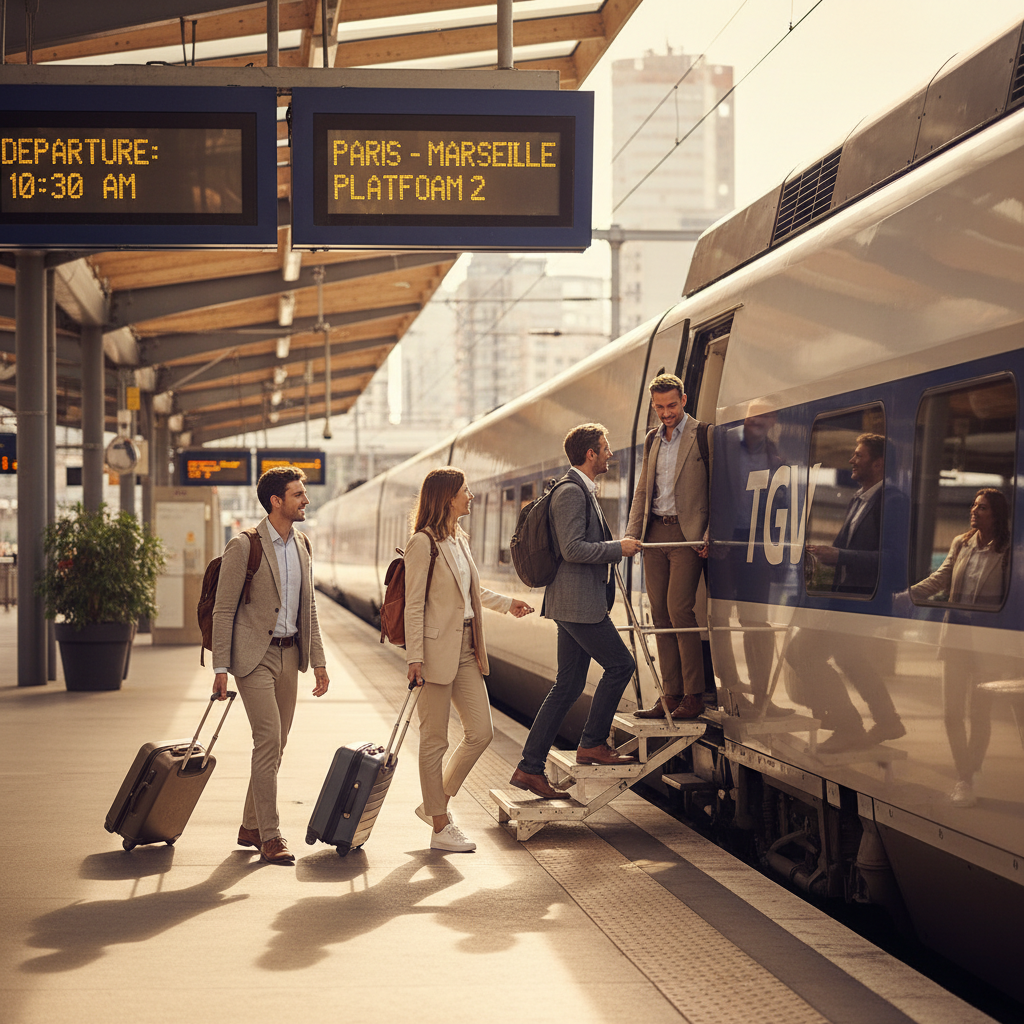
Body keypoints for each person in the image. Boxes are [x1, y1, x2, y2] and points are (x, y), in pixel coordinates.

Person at [510, 423, 643, 800]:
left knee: (567, 686)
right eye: (606, 447)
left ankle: (529, 768)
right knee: (621, 665)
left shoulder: (578, 489)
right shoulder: (571, 492)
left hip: (573, 603)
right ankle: (593, 743)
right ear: (590, 454)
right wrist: (620, 547)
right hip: (578, 604)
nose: (610, 454)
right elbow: (573, 549)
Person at [405, 467, 534, 851]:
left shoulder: (459, 540)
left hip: (465, 648)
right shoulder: (422, 543)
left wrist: (507, 604)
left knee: (481, 731)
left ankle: (435, 804)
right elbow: (414, 606)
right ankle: (441, 828)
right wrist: (415, 658)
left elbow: (472, 593)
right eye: (465, 491)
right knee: (434, 741)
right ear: (447, 497)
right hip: (433, 651)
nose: (471, 496)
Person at [211, 466, 330, 865]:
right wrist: (220, 670)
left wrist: (319, 662)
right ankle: (271, 835)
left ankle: (249, 824)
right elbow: (224, 610)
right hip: (252, 658)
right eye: (298, 494)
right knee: (268, 739)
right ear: (276, 501)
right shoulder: (244, 546)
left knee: (275, 746)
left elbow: (308, 606)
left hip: (289, 654)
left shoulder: (303, 545)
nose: (305, 501)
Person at [791, 433, 905, 753]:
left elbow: (895, 561)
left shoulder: (894, 502)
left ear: (879, 463)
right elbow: (844, 548)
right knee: (849, 658)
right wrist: (822, 554)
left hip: (865, 601)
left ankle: (848, 725)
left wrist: (839, 556)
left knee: (803, 653)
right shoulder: (859, 499)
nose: (852, 461)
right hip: (843, 599)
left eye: (859, 455)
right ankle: (886, 720)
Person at [911, 488, 1013, 807]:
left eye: (981, 508)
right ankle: (965, 775)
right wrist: (906, 596)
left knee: (978, 714)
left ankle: (968, 775)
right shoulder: (961, 543)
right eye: (973, 505)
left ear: (996, 516)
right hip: (955, 639)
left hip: (987, 645)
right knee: (951, 713)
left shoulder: (1008, 552)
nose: (973, 511)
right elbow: (940, 579)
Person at [625, 373, 713, 720]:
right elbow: (643, 491)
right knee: (659, 615)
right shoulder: (652, 439)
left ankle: (694, 694)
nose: (666, 412)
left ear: (684, 400)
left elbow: (718, 487)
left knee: (679, 610)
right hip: (654, 535)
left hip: (686, 534)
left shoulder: (703, 434)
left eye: (672, 405)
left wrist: (709, 531)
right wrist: (632, 535)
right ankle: (670, 694)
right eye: (660, 407)